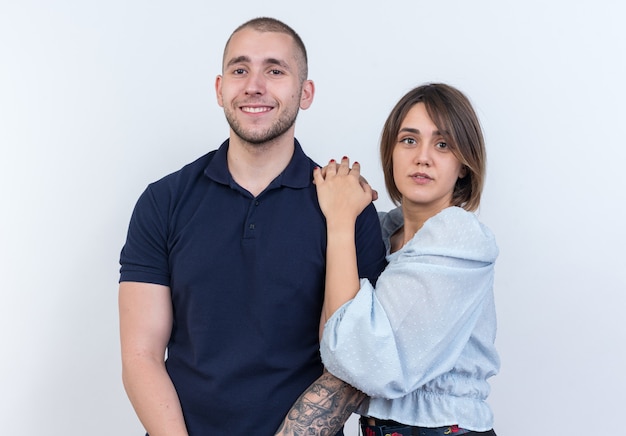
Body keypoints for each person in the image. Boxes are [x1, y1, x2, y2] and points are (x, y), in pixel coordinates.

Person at [118, 17, 387, 435]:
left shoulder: (346, 208)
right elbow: (141, 355)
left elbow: (355, 365)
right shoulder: (164, 201)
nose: (254, 85)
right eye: (240, 70)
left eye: (275, 70)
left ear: (306, 92)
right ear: (220, 88)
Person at [277, 83, 499, 435]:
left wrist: (339, 220)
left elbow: (363, 361)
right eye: (409, 140)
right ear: (391, 152)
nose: (422, 157)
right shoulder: (381, 232)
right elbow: (331, 338)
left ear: (463, 166)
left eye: (443, 145)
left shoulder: (459, 236)